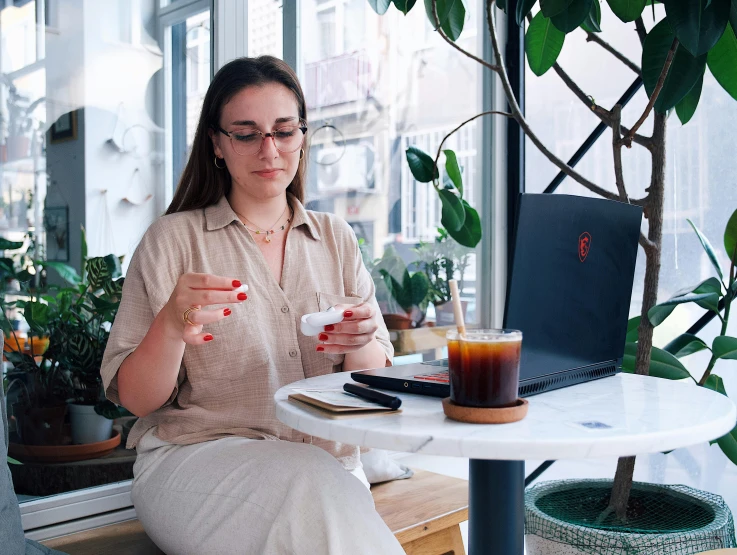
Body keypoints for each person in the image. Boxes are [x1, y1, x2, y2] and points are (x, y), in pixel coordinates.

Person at [101, 56, 405, 555]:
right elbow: (138, 401)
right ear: (217, 144)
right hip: (195, 466)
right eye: (247, 134)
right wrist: (172, 326)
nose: (270, 149)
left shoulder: (336, 238)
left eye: (284, 131)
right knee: (312, 488)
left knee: (315, 487)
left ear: (302, 137)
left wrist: (361, 344)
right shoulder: (172, 241)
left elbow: (369, 386)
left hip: (330, 473)